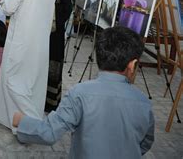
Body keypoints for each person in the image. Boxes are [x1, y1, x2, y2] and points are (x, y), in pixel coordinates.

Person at [12, 26, 154, 159]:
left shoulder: (80, 94)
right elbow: (145, 143)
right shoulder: (144, 103)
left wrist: (22, 121)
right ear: (132, 65)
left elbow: (49, 132)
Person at [0, 0, 57, 130]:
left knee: (13, 79)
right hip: (41, 43)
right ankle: (30, 117)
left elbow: (9, 7)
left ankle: (25, 122)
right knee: (34, 81)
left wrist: (3, 2)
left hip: (22, 40)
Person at [44, 0, 73, 112]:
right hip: (41, 32)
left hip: (55, 34)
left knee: (53, 66)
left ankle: (51, 102)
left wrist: (53, 17)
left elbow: (67, 9)